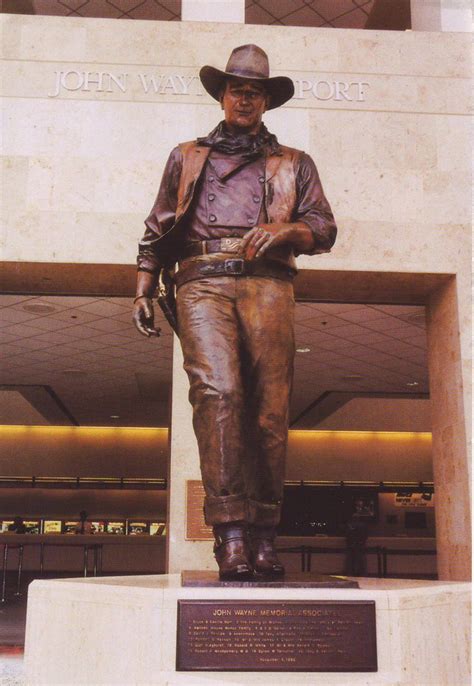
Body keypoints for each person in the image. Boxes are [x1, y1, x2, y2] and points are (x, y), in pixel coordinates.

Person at [133, 45, 337, 580]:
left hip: (269, 285)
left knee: (269, 411)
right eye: (236, 88)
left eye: (254, 91)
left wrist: (287, 230)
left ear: (266, 101)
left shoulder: (295, 163)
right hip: (201, 283)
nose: (244, 98)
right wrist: (142, 284)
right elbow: (158, 226)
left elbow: (324, 228)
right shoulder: (187, 156)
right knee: (218, 395)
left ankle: (265, 534)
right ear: (222, 95)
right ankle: (230, 536)